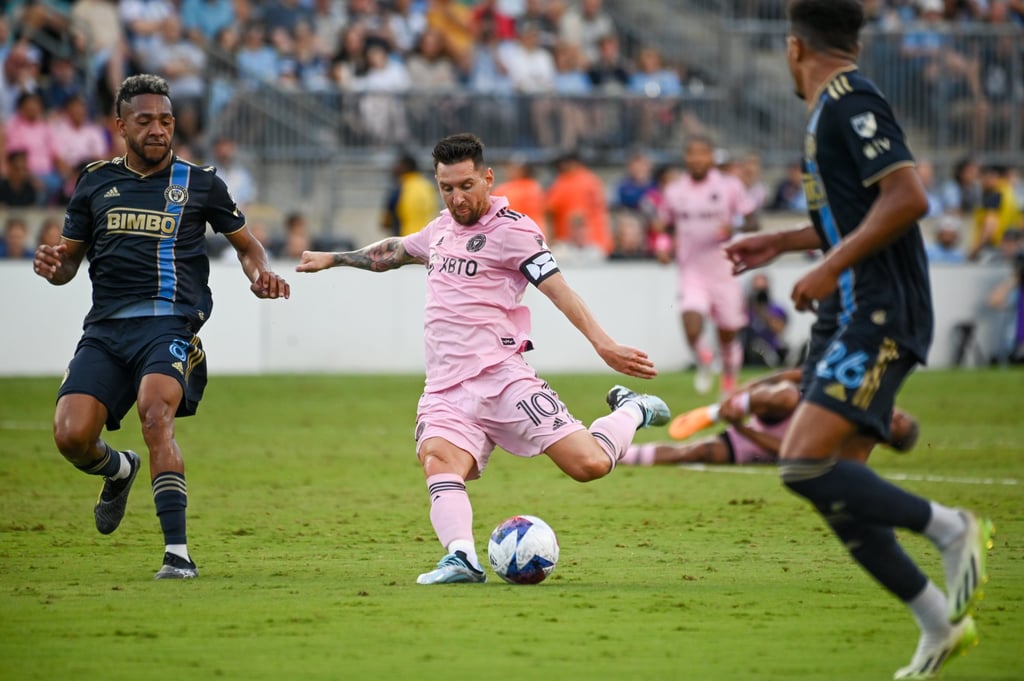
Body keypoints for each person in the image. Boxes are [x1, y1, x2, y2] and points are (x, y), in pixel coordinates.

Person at [723, 3, 993, 678]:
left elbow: (907, 197)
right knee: (833, 484)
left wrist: (828, 266)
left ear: (794, 47)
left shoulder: (851, 98)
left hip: (878, 308)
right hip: (844, 313)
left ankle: (951, 527)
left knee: (803, 462)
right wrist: (781, 242)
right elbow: (849, 216)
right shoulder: (827, 112)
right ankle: (938, 624)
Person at [296, 133, 670, 585]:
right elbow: (394, 252)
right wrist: (333, 259)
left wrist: (603, 344)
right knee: (438, 459)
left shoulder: (514, 230)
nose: (457, 198)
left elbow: (559, 291)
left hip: (502, 379)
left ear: (488, 178)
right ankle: (462, 558)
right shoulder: (440, 229)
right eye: (447, 188)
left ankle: (632, 408)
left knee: (588, 465)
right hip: (446, 388)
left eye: (467, 185)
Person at [31, 74, 290, 580]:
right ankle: (118, 469)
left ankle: (178, 554)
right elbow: (68, 266)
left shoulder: (201, 183)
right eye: (145, 120)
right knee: (70, 436)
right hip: (105, 331)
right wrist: (52, 265)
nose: (157, 129)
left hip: (169, 324)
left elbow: (247, 246)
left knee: (155, 414)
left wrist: (262, 275)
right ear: (121, 125)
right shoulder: (95, 182)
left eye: (166, 120)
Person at [623, 369, 920, 466]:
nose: (893, 415)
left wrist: (742, 428)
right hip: (785, 408)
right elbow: (800, 374)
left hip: (777, 440)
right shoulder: (860, 389)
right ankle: (728, 407)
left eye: (895, 425)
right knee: (787, 395)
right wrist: (748, 388)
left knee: (691, 452)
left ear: (887, 440)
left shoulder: (853, 453)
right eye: (900, 414)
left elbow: (788, 452)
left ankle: (617, 456)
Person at [654, 134, 759, 396]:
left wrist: (733, 226)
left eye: (703, 153)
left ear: (712, 157)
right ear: (686, 157)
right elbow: (661, 225)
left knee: (728, 332)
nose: (697, 159)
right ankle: (704, 359)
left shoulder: (729, 186)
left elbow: (753, 221)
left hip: (725, 270)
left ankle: (729, 379)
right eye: (692, 153)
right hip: (691, 271)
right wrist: (663, 247)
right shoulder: (675, 190)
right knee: (690, 323)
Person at [380, 152, 438, 237]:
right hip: (428, 238)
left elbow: (385, 222)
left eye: (398, 165)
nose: (395, 168)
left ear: (405, 167)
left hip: (406, 240)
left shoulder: (400, 188)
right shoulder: (428, 186)